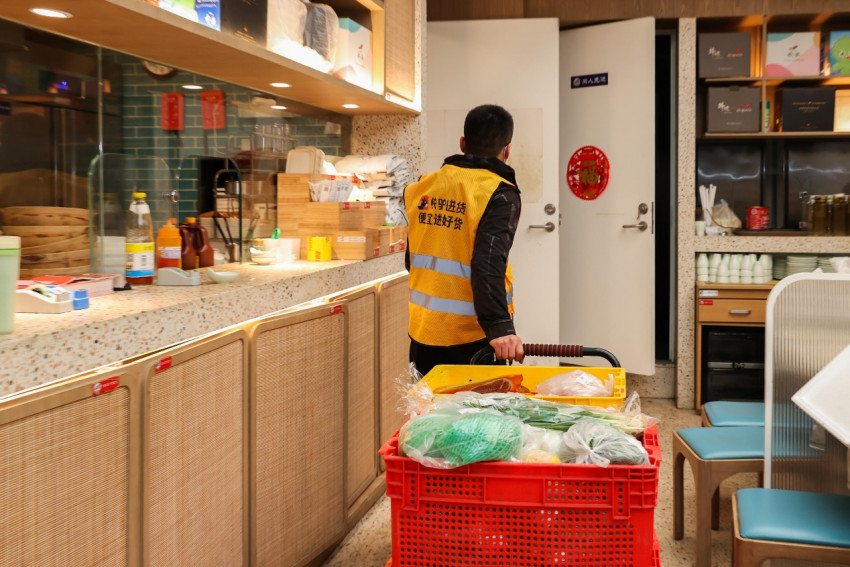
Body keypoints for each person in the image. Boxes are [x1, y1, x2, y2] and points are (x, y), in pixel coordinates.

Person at [404, 104, 524, 376]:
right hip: (472, 339)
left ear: (462, 143)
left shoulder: (421, 186)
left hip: (422, 333)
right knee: (476, 418)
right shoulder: (499, 193)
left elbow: (412, 260)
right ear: (507, 150)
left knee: (430, 414)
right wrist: (500, 327)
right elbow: (488, 264)